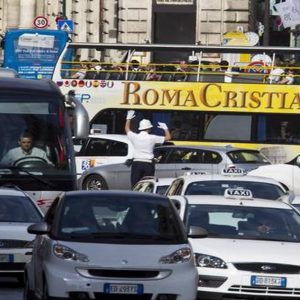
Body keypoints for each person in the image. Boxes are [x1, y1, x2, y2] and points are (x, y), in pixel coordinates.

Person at [125, 110, 171, 187]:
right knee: (147, 186)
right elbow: (168, 137)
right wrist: (165, 128)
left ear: (140, 128)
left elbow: (127, 130)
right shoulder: (152, 138)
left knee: (135, 186)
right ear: (149, 128)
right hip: (148, 164)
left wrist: (128, 119)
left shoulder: (135, 137)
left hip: (137, 164)